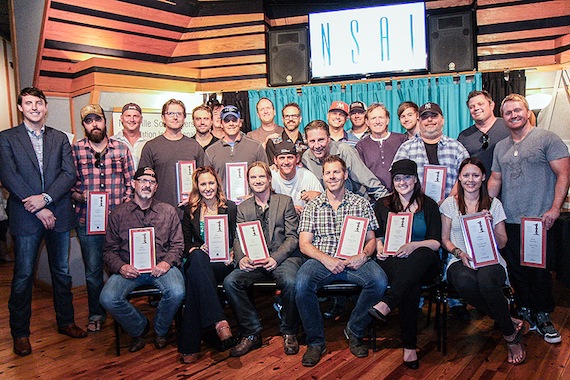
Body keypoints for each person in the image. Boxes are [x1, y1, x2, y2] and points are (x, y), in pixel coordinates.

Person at [0, 87, 86, 356]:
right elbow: (8, 175)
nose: (34, 107)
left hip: (58, 213)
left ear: (46, 107)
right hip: (26, 217)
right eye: (28, 103)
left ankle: (66, 321)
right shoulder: (6, 138)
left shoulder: (60, 138)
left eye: (39, 102)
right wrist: (35, 206)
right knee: (24, 276)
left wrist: (46, 199)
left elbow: (68, 173)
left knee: (61, 273)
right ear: (20, 108)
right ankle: (21, 333)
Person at [488, 93, 570, 344]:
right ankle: (524, 309)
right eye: (509, 112)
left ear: (527, 112)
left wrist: (555, 208)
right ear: (503, 117)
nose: (513, 115)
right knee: (516, 270)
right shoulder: (501, 146)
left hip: (538, 220)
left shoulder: (547, 139)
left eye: (517, 110)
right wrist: (483, 208)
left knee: (539, 272)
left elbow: (564, 175)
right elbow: (495, 180)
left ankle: (543, 316)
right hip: (510, 220)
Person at [296, 155, 388, 366]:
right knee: (301, 284)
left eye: (336, 172)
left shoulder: (361, 203)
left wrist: (363, 255)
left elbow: (372, 240)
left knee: (379, 281)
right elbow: (304, 244)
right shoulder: (313, 206)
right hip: (322, 260)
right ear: (323, 176)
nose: (332, 176)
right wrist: (326, 260)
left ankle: (354, 330)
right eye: (328, 173)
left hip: (353, 260)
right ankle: (316, 342)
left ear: (345, 175)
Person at [441, 157, 527, 364]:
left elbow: (503, 242)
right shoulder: (449, 204)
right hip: (459, 260)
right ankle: (506, 319)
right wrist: (460, 253)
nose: (471, 180)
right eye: (466, 175)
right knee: (463, 281)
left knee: (486, 280)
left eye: (476, 175)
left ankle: (510, 337)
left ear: (483, 177)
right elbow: (444, 239)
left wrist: (488, 227)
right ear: (459, 178)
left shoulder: (494, 204)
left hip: (491, 259)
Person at [100, 167, 185, 353]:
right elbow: (108, 251)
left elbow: (178, 245)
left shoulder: (168, 212)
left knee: (177, 291)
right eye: (143, 180)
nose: (147, 185)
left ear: (156, 187)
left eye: (152, 182)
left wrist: (166, 263)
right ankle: (139, 327)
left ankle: (161, 330)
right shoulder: (118, 215)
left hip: (162, 268)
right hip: (129, 271)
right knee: (107, 298)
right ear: (133, 184)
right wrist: (121, 267)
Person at [223, 161, 302, 357]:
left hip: (282, 258)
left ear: (269, 178)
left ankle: (289, 331)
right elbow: (238, 238)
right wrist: (241, 258)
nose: (258, 180)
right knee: (231, 281)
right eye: (253, 177)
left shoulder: (285, 201)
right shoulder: (244, 208)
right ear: (249, 182)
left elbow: (293, 237)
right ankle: (252, 332)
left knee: (291, 281)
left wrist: (275, 258)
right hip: (255, 260)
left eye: (261, 176)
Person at [368, 159, 441, 369]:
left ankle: (388, 302)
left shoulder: (429, 204)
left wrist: (412, 246)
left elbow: (436, 242)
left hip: (425, 262)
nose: (402, 182)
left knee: (422, 254)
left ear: (416, 179)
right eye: (398, 178)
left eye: (407, 177)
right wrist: (380, 248)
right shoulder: (383, 204)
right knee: (410, 283)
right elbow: (378, 235)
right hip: (393, 262)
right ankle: (409, 346)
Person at [72, 104, 135, 333]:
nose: (94, 124)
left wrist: (123, 211)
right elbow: (68, 186)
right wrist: (80, 195)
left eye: (97, 119)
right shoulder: (75, 150)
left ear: (105, 121)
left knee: (122, 268)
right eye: (89, 121)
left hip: (117, 224)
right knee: (93, 271)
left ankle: (121, 310)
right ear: (84, 125)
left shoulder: (121, 149)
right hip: (86, 221)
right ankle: (96, 313)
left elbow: (131, 183)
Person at [178, 166, 237, 364]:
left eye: (211, 183)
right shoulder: (190, 210)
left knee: (195, 284)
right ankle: (219, 322)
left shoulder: (229, 207)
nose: (208, 187)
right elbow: (185, 242)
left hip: (222, 263)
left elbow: (236, 237)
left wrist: (233, 252)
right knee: (197, 260)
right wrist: (194, 249)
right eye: (203, 184)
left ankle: (190, 346)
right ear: (197, 187)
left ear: (217, 184)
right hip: (198, 261)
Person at [139, 99, 205, 219]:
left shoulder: (194, 146)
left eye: (179, 114)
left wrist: (194, 196)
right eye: (171, 113)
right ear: (163, 118)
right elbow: (143, 181)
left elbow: (203, 178)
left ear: (184, 118)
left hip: (189, 212)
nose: (175, 117)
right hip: (159, 212)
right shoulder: (151, 146)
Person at [393, 102, 469, 201]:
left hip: (452, 210)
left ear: (443, 120)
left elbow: (467, 178)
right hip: (417, 209)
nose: (429, 120)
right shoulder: (406, 148)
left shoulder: (457, 148)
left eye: (434, 116)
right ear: (419, 121)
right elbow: (397, 180)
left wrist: (449, 202)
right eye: (424, 117)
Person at [302, 120, 388, 202]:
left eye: (321, 140)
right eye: (312, 141)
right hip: (327, 207)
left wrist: (387, 204)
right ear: (306, 141)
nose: (317, 146)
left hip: (356, 203)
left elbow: (369, 182)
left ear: (329, 139)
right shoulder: (306, 158)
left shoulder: (345, 151)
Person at [204, 105, 269, 194]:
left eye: (234, 120)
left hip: (251, 204)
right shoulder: (210, 151)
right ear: (221, 124)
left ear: (240, 123)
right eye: (227, 120)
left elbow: (266, 177)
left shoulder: (255, 147)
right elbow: (206, 182)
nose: (231, 123)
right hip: (223, 205)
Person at [355, 103, 407, 192]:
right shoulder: (361, 146)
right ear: (367, 122)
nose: (377, 121)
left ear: (387, 120)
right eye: (373, 118)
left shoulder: (402, 140)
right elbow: (362, 176)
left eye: (381, 117)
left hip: (401, 195)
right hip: (373, 197)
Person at [458, 90, 510, 174]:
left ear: (491, 105)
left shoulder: (508, 127)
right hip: (476, 186)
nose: (476, 108)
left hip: (508, 185)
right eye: (471, 107)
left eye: (480, 104)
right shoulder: (464, 136)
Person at [271, 141, 323, 215]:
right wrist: (289, 209)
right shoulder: (270, 177)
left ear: (297, 159)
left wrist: (318, 196)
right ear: (275, 160)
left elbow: (324, 202)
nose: (286, 162)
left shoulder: (307, 176)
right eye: (282, 158)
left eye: (290, 157)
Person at [112, 102, 148, 169]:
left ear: (141, 119)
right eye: (128, 116)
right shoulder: (111, 142)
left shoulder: (149, 143)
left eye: (135, 116)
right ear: (121, 118)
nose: (131, 120)